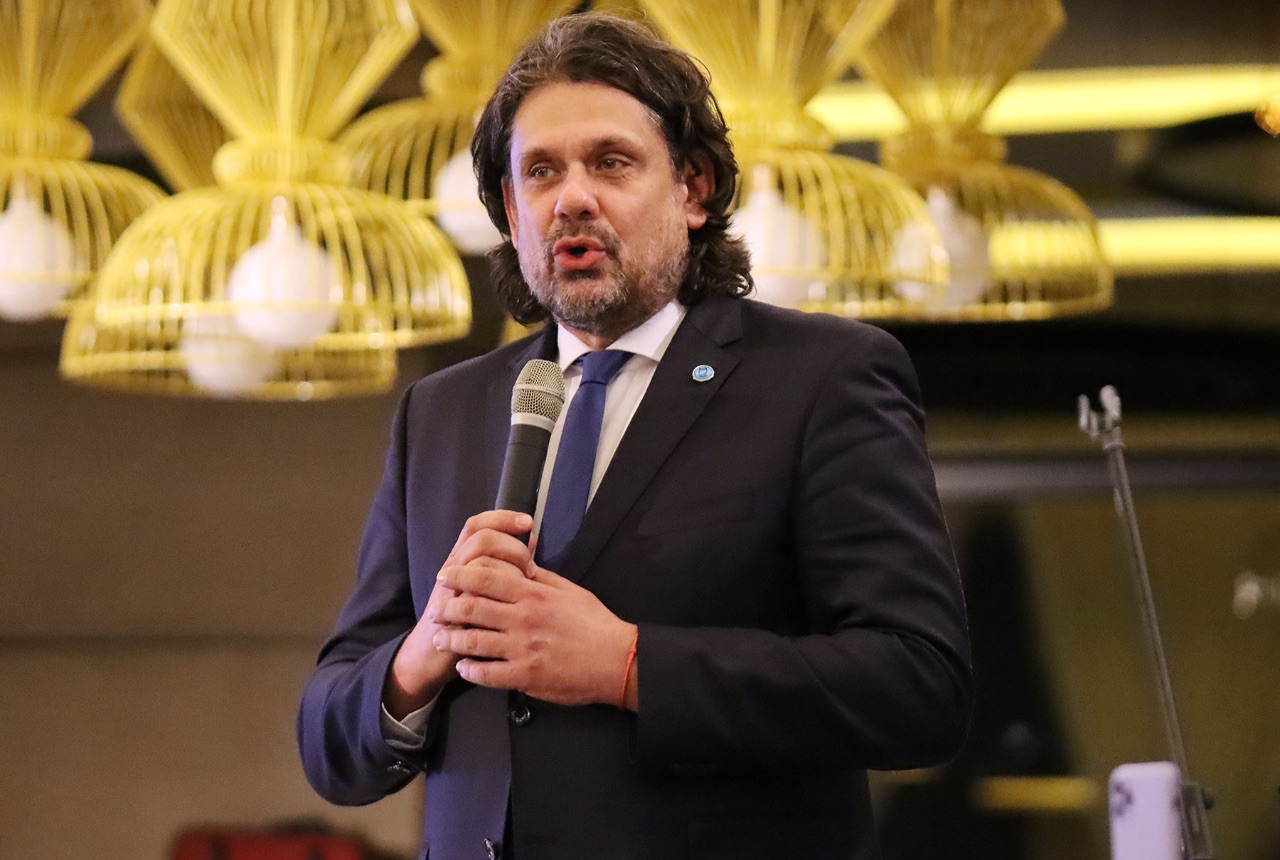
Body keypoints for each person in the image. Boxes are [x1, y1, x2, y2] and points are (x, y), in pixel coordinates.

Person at [298, 12, 972, 860]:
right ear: (511, 211)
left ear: (692, 189)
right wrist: (426, 648)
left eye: (611, 162)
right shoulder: (442, 411)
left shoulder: (821, 379)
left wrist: (627, 665)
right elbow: (329, 743)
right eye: (541, 171)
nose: (572, 198)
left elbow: (917, 688)